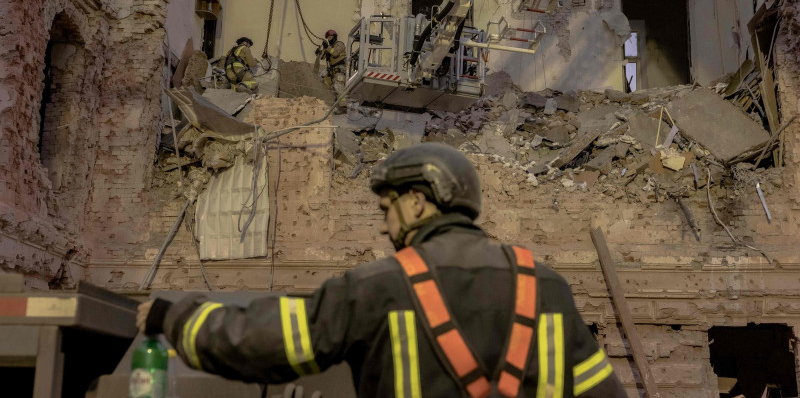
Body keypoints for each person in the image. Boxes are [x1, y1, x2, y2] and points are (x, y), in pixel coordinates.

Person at [137, 144, 625, 397]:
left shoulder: (377, 287)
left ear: (417, 202)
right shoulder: (545, 287)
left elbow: (265, 341)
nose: (385, 224)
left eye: (388, 208)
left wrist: (173, 317)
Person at [316, 29, 346, 108]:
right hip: (331, 70)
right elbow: (323, 57)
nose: (328, 39)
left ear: (334, 37)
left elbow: (335, 53)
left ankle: (343, 106)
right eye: (327, 38)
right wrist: (319, 52)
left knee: (338, 87)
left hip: (339, 70)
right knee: (322, 80)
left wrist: (327, 47)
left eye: (330, 37)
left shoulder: (339, 44)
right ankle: (332, 104)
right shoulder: (330, 47)